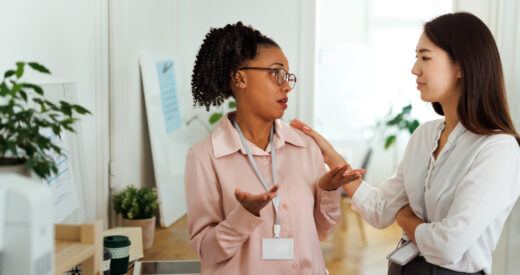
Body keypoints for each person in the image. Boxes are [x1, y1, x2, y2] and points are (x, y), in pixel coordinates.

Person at [290, 12, 520, 274]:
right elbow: (380, 210)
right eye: (416, 57)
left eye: (425, 57)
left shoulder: (498, 148)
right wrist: (332, 156)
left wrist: (406, 219)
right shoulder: (425, 135)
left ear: (461, 66)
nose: (415, 69)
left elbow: (448, 245)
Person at [184, 22, 365, 275]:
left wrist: (327, 190)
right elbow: (208, 251)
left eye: (288, 76)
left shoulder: (305, 147)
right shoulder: (205, 157)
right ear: (240, 77)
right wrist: (243, 215)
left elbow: (322, 231)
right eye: (276, 73)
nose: (287, 86)